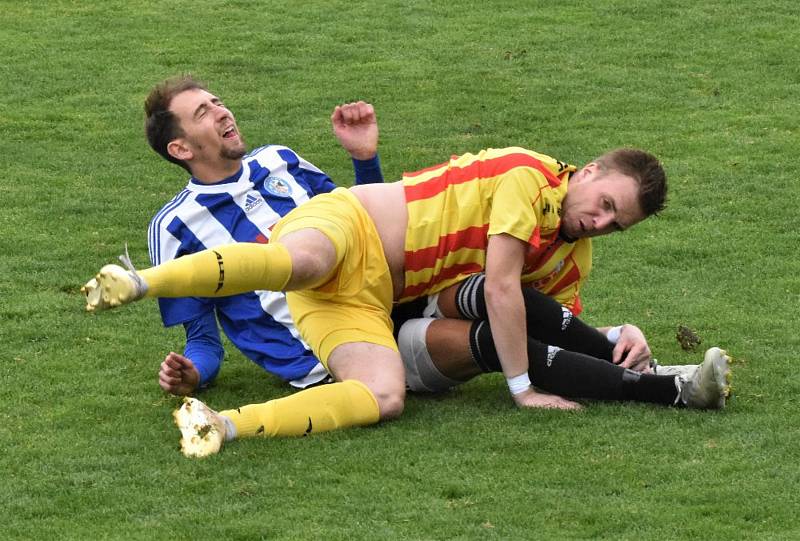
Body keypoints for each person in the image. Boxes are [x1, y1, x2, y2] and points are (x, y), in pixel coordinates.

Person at [83, 133, 726, 458]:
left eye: (620, 224)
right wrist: (522, 389)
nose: (603, 222)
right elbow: (501, 285)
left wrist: (613, 338)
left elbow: (539, 319)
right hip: (346, 228)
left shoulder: (569, 250)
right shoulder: (528, 178)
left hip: (372, 304)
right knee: (302, 260)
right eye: (606, 203)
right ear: (586, 173)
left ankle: (220, 425)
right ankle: (138, 281)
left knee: (385, 398)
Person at [135, 75, 383, 396]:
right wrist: (194, 374)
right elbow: (203, 340)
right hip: (325, 356)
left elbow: (365, 227)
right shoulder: (175, 226)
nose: (222, 112)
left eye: (218, 103)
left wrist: (364, 159)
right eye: (202, 113)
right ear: (180, 148)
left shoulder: (280, 160)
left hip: (382, 304)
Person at [395, 274, 730, 407]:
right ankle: (677, 392)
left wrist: (614, 334)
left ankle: (646, 368)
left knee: (500, 292)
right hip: (382, 343)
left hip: (403, 300)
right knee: (494, 340)